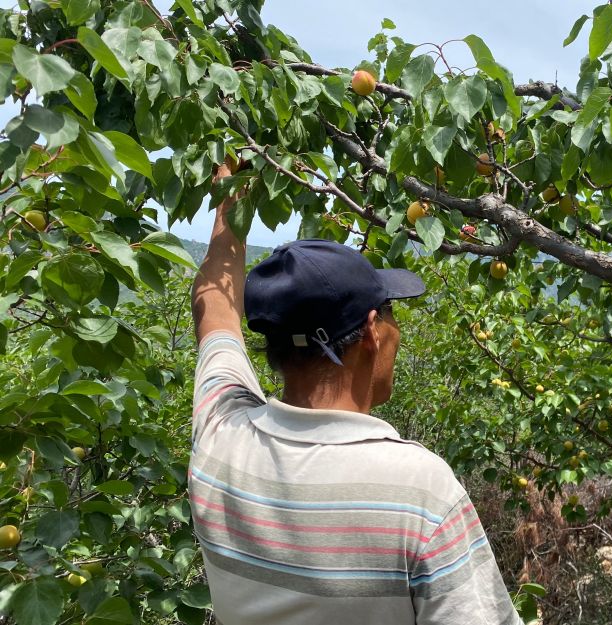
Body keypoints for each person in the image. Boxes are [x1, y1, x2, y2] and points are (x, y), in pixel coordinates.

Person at [189, 161, 522, 625]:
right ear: (371, 331)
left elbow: (215, 305)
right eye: (390, 312)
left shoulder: (220, 435)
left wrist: (231, 197)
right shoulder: (420, 491)